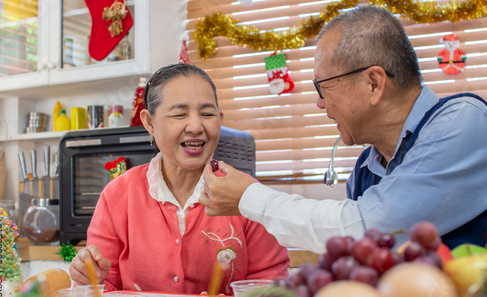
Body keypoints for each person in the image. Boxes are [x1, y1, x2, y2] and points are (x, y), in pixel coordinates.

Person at [199, 5, 487, 253]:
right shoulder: (365, 170)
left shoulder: (465, 122)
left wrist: (250, 197)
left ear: (373, 83)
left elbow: (369, 228)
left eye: (323, 87)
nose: (319, 103)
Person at [69, 63, 290, 294]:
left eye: (207, 114)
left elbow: (272, 287)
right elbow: (100, 292)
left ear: (220, 119)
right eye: (179, 114)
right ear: (149, 123)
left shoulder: (248, 194)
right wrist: (90, 279)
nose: (196, 126)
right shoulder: (117, 195)